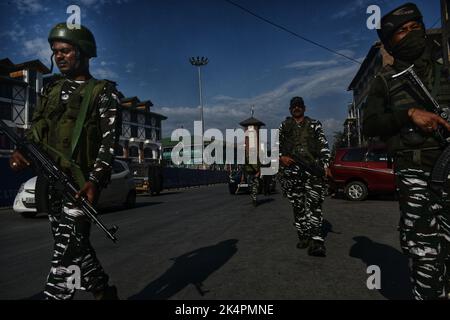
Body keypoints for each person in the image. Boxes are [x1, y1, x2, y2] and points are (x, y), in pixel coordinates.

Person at [9, 22, 120, 300]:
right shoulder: (51, 91)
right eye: (55, 51)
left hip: (80, 186)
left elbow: (109, 144)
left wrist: (95, 181)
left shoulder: (103, 93)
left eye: (66, 51)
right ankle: (104, 293)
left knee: (63, 261)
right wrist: (21, 152)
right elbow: (35, 130)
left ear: (83, 53)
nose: (59, 56)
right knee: (75, 246)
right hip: (51, 184)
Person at [363, 2, 450, 300]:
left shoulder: (445, 73)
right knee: (426, 254)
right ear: (389, 43)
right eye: (402, 31)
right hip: (416, 176)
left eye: (415, 27)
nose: (412, 34)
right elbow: (370, 125)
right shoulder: (384, 82)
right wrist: (408, 114)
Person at [279, 96, 331, 257]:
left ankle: (317, 241)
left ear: (304, 108)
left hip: (312, 170)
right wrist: (281, 157)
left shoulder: (314, 125)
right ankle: (304, 235)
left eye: (299, 106)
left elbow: (323, 146)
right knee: (298, 206)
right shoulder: (284, 126)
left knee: (314, 205)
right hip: (292, 172)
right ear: (290, 109)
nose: (296, 108)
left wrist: (325, 165)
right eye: (294, 106)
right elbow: (275, 147)